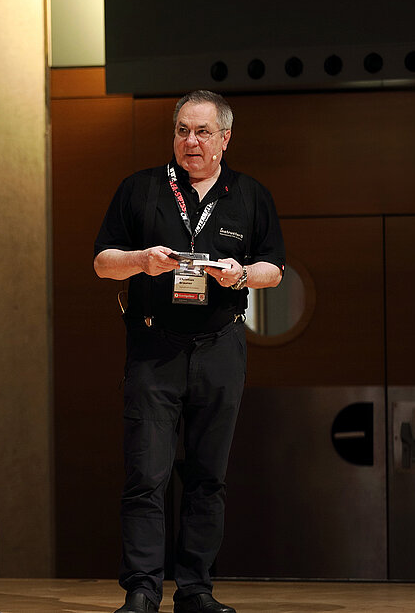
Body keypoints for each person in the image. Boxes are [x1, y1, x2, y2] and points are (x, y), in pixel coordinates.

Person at [93, 90, 285, 613]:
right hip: (154, 348)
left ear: (225, 138)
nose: (190, 141)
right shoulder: (141, 189)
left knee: (206, 475)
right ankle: (143, 589)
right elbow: (102, 263)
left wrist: (241, 274)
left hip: (220, 348)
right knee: (146, 474)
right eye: (182, 130)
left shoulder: (250, 195)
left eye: (202, 132)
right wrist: (140, 261)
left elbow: (275, 268)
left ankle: (196, 588)